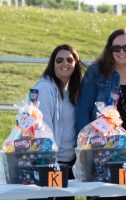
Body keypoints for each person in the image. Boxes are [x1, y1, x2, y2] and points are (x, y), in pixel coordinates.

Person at [75, 28, 126, 200]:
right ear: (110, 49)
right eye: (116, 48)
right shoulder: (96, 72)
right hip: (103, 149)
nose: (122, 52)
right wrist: (84, 148)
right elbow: (82, 110)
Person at [32, 44, 85, 200]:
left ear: (76, 63)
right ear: (52, 64)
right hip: (48, 163)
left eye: (69, 59)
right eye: (59, 60)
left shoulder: (72, 89)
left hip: (67, 164)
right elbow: (43, 129)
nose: (64, 63)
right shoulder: (45, 88)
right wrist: (50, 163)